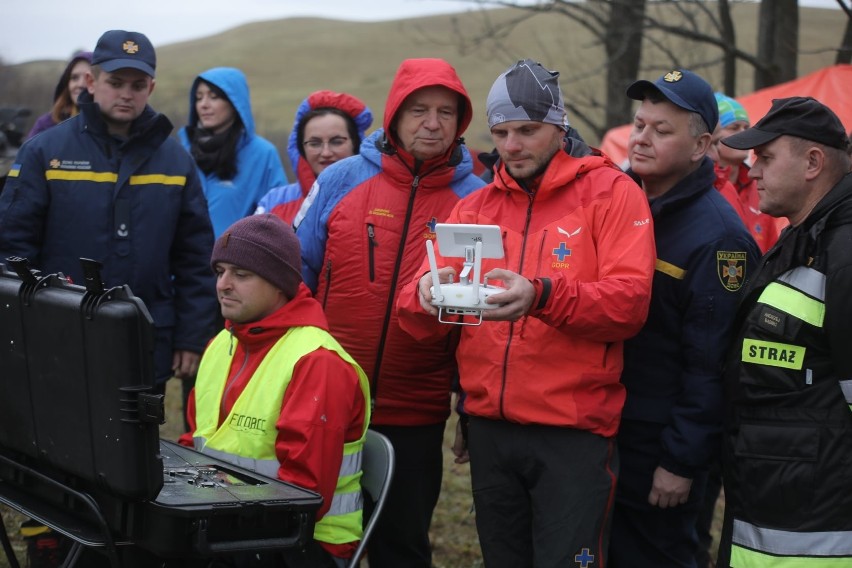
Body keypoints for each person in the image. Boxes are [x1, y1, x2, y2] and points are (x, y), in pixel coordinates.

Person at [397, 58, 656, 568]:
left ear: (558, 126)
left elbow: (629, 304)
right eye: (501, 131)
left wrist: (543, 296)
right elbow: (420, 316)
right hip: (493, 430)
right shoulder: (475, 206)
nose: (511, 145)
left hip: (573, 432)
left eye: (527, 130)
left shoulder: (611, 192)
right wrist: (424, 293)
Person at [296, 57, 485, 567]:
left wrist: (469, 406)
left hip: (416, 409)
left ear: (461, 121)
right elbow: (295, 275)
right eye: (419, 109)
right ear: (395, 114)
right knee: (313, 539)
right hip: (328, 399)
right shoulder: (340, 180)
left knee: (401, 545)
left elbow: (482, 326)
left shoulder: (478, 199)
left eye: (446, 112)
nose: (432, 123)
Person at [0, 30, 218, 394]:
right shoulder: (45, 152)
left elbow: (196, 259)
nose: (126, 94)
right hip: (56, 340)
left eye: (137, 84)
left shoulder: (176, 161)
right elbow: (12, 249)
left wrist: (192, 337)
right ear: (91, 81)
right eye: (115, 82)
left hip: (146, 342)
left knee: (137, 449)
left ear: (151, 87)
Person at [608, 69, 760, 568]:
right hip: (604, 427)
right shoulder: (617, 204)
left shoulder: (719, 238)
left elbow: (712, 364)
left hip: (658, 445)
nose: (641, 138)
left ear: (701, 147)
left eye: (662, 129)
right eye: (639, 124)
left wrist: (679, 460)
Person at [179, 214, 370, 568]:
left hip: (301, 543)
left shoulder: (317, 362)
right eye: (219, 271)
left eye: (241, 274)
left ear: (280, 283)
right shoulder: (221, 343)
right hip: (232, 525)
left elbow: (303, 496)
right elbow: (194, 443)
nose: (223, 284)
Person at [715, 97, 852, 568]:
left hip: (819, 533)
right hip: (776, 512)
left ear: (813, 162)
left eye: (766, 157)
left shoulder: (845, 249)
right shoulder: (805, 236)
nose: (751, 171)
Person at [178, 67, 287, 237]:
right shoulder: (183, 152)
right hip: (187, 262)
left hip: (238, 261)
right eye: (199, 98)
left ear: (235, 102)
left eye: (214, 97)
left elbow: (278, 218)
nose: (204, 104)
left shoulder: (263, 154)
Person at [255, 90, 373, 225]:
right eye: (315, 143)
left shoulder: (378, 201)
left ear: (356, 144)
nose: (326, 153)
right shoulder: (274, 203)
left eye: (337, 141)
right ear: (301, 148)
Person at [713, 92, 782, 253]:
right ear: (712, 136)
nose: (743, 133)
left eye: (746, 127)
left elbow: (771, 250)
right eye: (734, 127)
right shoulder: (705, 185)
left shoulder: (759, 186)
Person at [26, 50, 93, 140]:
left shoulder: (111, 126)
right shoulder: (46, 124)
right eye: (74, 78)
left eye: (87, 77)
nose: (80, 84)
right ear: (66, 83)